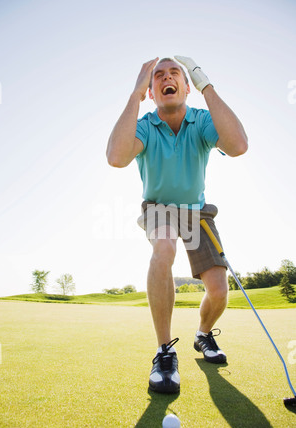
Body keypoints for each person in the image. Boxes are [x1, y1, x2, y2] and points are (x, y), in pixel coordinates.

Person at [106, 56, 248, 394]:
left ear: (186, 87)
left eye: (175, 75)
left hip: (197, 212)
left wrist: (206, 84)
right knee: (165, 247)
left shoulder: (201, 120)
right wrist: (134, 95)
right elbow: (116, 157)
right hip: (158, 208)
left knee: (218, 289)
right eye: (158, 77)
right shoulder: (144, 124)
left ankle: (202, 334)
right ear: (153, 92)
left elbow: (238, 145)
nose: (166, 78)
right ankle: (165, 352)